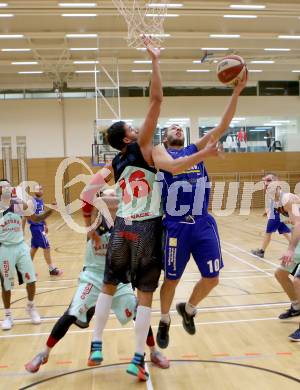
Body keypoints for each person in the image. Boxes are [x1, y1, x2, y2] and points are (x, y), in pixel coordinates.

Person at [81, 36, 219, 381]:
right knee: (145, 295)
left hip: (121, 228)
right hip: (147, 228)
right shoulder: (146, 147)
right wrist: (155, 60)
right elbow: (157, 99)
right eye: (131, 126)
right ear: (129, 136)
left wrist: (93, 221)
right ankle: (138, 356)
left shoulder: (113, 161)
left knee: (109, 285)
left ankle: (96, 342)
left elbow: (88, 191)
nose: (136, 126)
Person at [25, 192, 169, 373]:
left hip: (118, 280)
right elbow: (88, 198)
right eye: (106, 198)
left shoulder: (127, 223)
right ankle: (43, 353)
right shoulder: (92, 225)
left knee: (137, 311)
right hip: (92, 277)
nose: (111, 202)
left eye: (114, 198)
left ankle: (153, 352)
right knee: (71, 313)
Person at [153, 74, 247, 349]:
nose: (178, 129)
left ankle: (189, 309)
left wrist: (237, 92)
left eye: (181, 127)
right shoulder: (160, 154)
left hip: (203, 223)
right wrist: (204, 154)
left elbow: (223, 125)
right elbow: (174, 167)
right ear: (165, 136)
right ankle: (164, 319)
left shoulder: (195, 148)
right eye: (172, 127)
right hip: (175, 225)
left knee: (213, 278)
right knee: (171, 279)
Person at [0, 179, 53, 330]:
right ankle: (8, 316)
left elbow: (35, 218)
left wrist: (50, 211)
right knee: (6, 284)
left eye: (8, 186)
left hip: (20, 246)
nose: (6, 188)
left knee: (31, 279)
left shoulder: (18, 204)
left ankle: (30, 306)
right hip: (4, 248)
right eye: (3, 186)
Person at [265, 180, 300, 340]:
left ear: (278, 185)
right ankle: (296, 306)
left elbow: (298, 222)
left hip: (297, 244)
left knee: (298, 282)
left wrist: (290, 248)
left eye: (270, 180)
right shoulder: (277, 202)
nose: (266, 184)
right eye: (264, 182)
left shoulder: (288, 199)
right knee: (280, 274)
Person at [251, 173, 291, 259]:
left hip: (276, 214)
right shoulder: (271, 189)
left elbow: (278, 200)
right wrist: (267, 211)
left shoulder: (275, 188)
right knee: (285, 232)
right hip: (276, 213)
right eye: (265, 181)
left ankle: (261, 251)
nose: (266, 182)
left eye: (268, 180)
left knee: (268, 233)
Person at [26, 184, 62, 276]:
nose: (41, 190)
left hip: (40, 227)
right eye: (39, 189)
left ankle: (27, 269)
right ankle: (52, 269)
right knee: (47, 247)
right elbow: (28, 216)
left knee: (34, 248)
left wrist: (45, 224)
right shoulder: (32, 202)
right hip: (36, 228)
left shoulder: (40, 201)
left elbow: (41, 215)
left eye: (42, 189)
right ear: (35, 191)